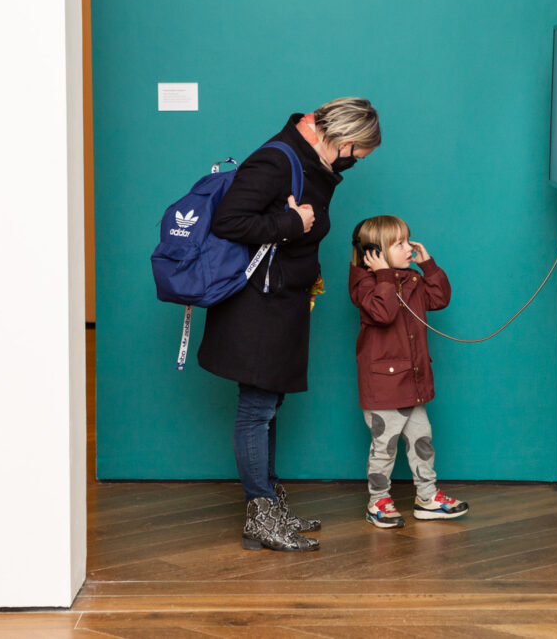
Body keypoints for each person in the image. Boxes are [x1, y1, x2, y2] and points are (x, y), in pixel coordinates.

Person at [198, 98, 381, 552]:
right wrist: (292, 222)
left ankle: (271, 506)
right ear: (341, 140)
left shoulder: (309, 160)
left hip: (282, 301)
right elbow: (229, 221)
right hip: (257, 307)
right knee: (256, 408)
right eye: (357, 155)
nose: (354, 164)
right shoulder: (277, 159)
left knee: (269, 405)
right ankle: (260, 513)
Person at [348, 215, 469, 528]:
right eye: (399, 243)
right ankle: (378, 502)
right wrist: (384, 274)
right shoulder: (366, 285)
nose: (408, 248)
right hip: (384, 386)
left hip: (411, 382)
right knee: (384, 448)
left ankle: (427, 496)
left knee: (422, 441)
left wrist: (428, 265)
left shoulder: (411, 279)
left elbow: (439, 299)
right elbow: (384, 313)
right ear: (374, 253)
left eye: (407, 240)